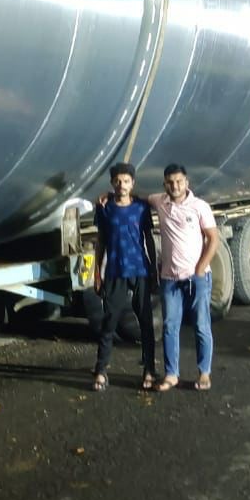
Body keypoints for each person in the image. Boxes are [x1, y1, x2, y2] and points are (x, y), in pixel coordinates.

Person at [144, 164, 219, 392]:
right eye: (170, 182)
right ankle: (171, 374)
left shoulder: (199, 206)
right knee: (170, 326)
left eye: (179, 181)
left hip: (196, 277)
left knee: (201, 325)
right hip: (170, 278)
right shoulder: (160, 202)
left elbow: (213, 238)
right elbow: (136, 197)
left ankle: (204, 373)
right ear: (164, 184)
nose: (175, 186)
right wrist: (108, 196)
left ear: (187, 182)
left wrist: (201, 268)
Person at [91, 162, 157, 392]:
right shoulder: (104, 208)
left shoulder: (141, 207)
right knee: (109, 322)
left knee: (145, 322)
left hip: (140, 270)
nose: (122, 185)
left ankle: (149, 369)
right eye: (117, 181)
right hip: (115, 271)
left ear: (133, 183)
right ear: (112, 183)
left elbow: (149, 239)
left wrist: (153, 270)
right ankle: (101, 370)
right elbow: (101, 241)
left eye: (126, 181)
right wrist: (97, 273)